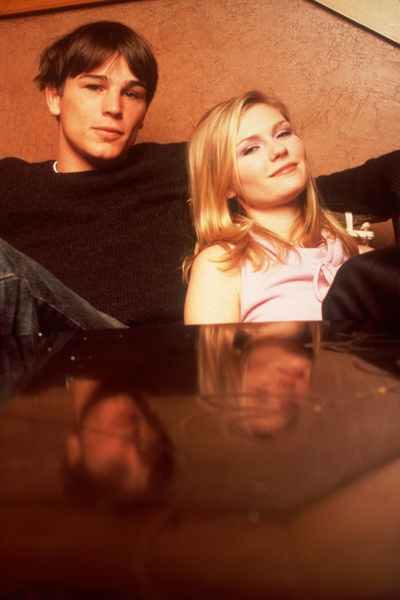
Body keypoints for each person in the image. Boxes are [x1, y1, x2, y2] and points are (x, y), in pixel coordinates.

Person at [1, 23, 399, 334]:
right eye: (94, 86)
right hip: (47, 354)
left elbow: (287, 188)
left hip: (149, 359)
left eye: (132, 93)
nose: (113, 107)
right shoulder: (10, 184)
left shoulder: (181, 164)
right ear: (54, 96)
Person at [183, 91, 375, 323]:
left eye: (283, 133)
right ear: (225, 185)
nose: (279, 150)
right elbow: (210, 349)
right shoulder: (221, 265)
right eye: (250, 149)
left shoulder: (367, 261)